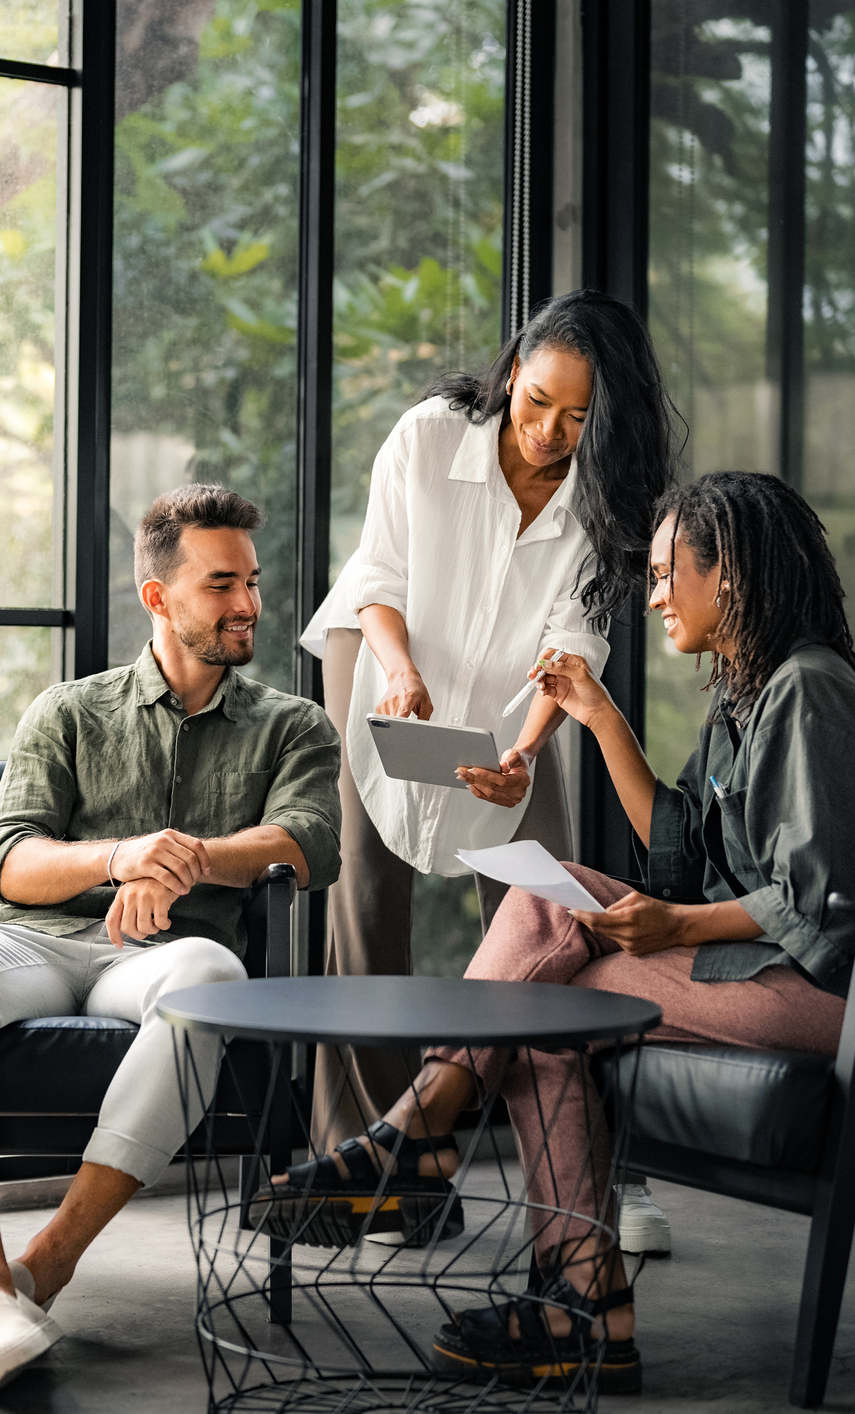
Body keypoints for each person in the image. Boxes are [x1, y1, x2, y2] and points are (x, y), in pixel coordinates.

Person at [259, 471, 855, 1394]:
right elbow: (677, 856)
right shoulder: (744, 699)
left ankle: (427, 1140)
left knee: (545, 976)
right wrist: (597, 718)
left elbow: (826, 901)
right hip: (783, 976)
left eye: (671, 572)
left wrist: (677, 924)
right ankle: (579, 1307)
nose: (657, 593)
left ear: (733, 578)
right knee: (544, 987)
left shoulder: (809, 694)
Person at [0, 483, 342, 1397]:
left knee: (213, 972)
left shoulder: (294, 723)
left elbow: (308, 842)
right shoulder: (68, 710)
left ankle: (41, 1270)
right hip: (37, 945)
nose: (248, 604)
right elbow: (3, 863)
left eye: (250, 581)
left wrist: (180, 863)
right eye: (220, 585)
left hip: (167, 957)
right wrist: (122, 855)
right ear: (157, 596)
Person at [298, 288, 679, 1250]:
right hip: (387, 662)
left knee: (547, 910)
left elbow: (572, 641)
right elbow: (376, 576)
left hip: (521, 699)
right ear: (512, 372)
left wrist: (522, 753)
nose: (550, 431)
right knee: (362, 901)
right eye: (537, 401)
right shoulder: (429, 436)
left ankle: (590, 1180)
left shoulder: (607, 498)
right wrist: (399, 673)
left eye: (579, 417)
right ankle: (385, 1166)